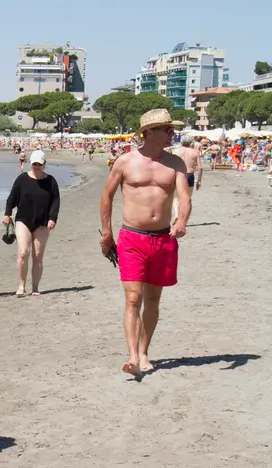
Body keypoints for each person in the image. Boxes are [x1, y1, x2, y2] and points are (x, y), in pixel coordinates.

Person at [99, 109, 191, 377]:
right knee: (132, 297)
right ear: (149, 133)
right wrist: (107, 232)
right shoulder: (125, 162)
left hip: (163, 238)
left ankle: (144, 351)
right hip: (132, 238)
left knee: (152, 299)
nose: (172, 134)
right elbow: (107, 196)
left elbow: (184, 196)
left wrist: (181, 220)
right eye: (167, 130)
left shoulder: (175, 163)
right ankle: (132, 357)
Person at [3, 150, 60, 297]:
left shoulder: (51, 181)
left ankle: (35, 287)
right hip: (23, 220)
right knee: (23, 252)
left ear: (44, 164)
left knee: (38, 255)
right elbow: (12, 198)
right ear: (31, 163)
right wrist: (7, 214)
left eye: (39, 164)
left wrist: (52, 218)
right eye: (34, 163)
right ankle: (21, 286)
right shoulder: (22, 179)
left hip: (42, 222)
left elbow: (55, 201)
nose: (36, 166)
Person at [173, 134, 203, 221]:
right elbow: (200, 167)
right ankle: (185, 220)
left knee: (176, 198)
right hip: (189, 175)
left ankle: (176, 215)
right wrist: (199, 181)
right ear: (190, 142)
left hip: (178, 174)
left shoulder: (176, 151)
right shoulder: (195, 152)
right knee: (188, 199)